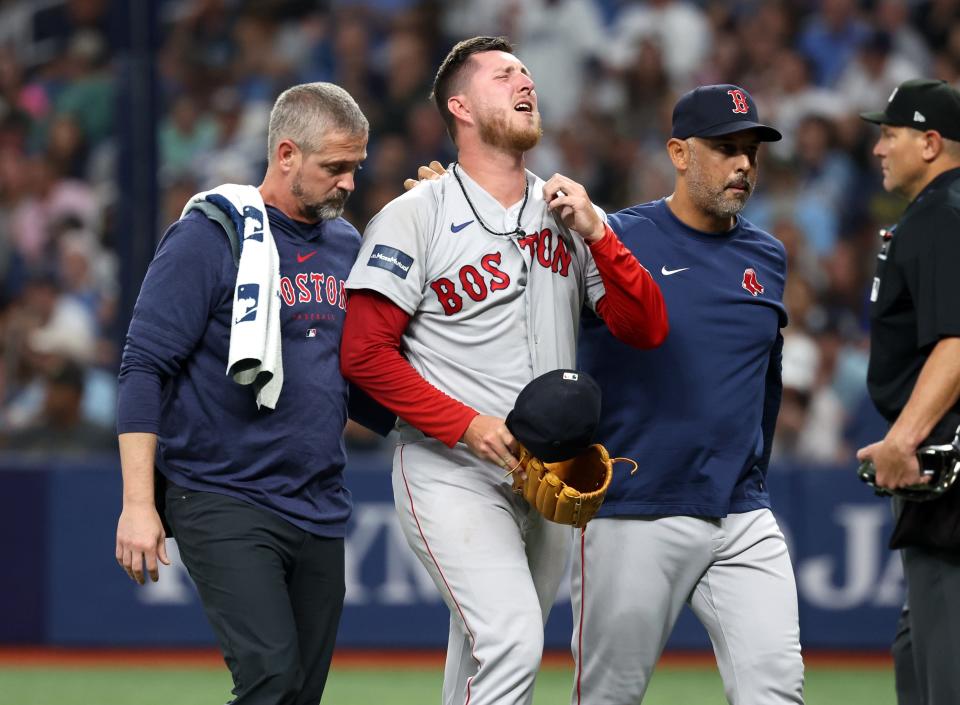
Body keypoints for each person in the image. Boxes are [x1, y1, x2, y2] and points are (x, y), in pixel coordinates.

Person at [339, 36, 668, 705]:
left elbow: (646, 327)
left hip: (547, 471)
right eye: (502, 74)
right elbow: (363, 354)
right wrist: (465, 425)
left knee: (483, 656)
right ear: (459, 106)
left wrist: (601, 233)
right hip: (448, 466)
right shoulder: (414, 215)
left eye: (526, 72)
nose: (525, 81)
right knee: (513, 636)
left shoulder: (566, 211)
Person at [115, 82, 372, 704]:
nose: (348, 184)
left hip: (317, 497)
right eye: (334, 167)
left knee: (298, 694)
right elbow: (143, 366)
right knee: (270, 677)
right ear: (286, 154)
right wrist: (137, 504)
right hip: (223, 493)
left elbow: (364, 373)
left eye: (355, 169)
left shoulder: (346, 245)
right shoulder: (209, 238)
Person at [572, 85, 804, 704]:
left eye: (751, 151)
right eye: (726, 148)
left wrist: (752, 468)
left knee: (776, 691)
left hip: (741, 510)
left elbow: (765, 378)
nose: (744, 165)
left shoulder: (767, 255)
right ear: (679, 152)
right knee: (607, 697)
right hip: (635, 505)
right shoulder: (612, 238)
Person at [856, 78, 960, 705]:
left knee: (944, 665)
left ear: (928, 141)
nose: (878, 149)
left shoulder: (942, 216)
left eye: (889, 135)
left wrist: (906, 435)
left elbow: (955, 341)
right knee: (916, 650)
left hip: (947, 467)